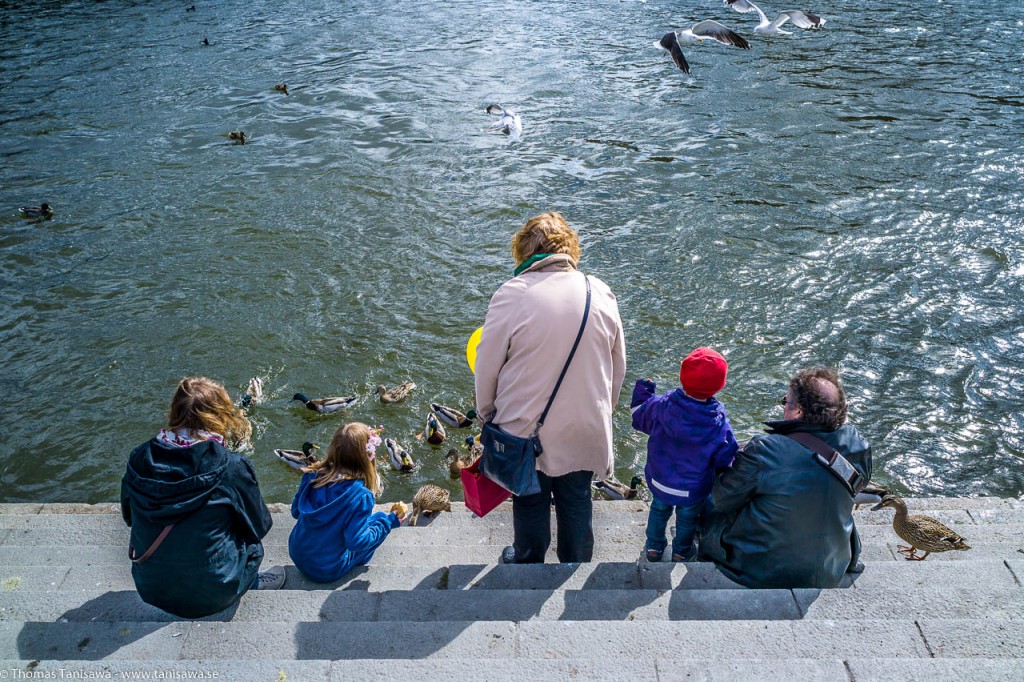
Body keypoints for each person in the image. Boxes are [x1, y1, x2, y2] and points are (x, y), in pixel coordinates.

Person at [474, 212, 626, 564]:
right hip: (586, 424)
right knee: (576, 499)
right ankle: (575, 562)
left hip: (527, 428)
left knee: (530, 499)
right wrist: (600, 412)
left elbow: (487, 365)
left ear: (523, 251)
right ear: (570, 248)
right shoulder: (600, 291)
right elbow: (617, 368)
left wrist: (486, 414)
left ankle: (529, 559)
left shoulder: (512, 294)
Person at [121, 377, 281, 619]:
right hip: (215, 593)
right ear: (220, 415)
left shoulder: (139, 457)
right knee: (251, 544)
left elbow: (129, 516)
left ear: (174, 411)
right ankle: (251, 582)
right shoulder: (232, 466)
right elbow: (259, 526)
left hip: (152, 590)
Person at [698, 367, 872, 588]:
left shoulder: (766, 450)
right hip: (833, 566)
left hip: (761, 570)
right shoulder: (858, 444)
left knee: (708, 497)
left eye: (785, 401)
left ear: (798, 411)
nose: (783, 407)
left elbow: (722, 498)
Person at [631, 347, 739, 562]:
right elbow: (725, 458)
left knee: (659, 511)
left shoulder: (662, 406)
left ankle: (653, 548)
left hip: (660, 481)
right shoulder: (718, 423)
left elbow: (638, 416)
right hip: (692, 489)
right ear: (719, 385)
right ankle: (681, 551)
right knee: (688, 519)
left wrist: (645, 388)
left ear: (683, 376)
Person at [288, 422, 406, 582]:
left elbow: (295, 512)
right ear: (367, 456)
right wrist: (390, 523)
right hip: (326, 569)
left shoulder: (312, 474)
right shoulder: (361, 496)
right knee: (380, 519)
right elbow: (357, 542)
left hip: (297, 553)